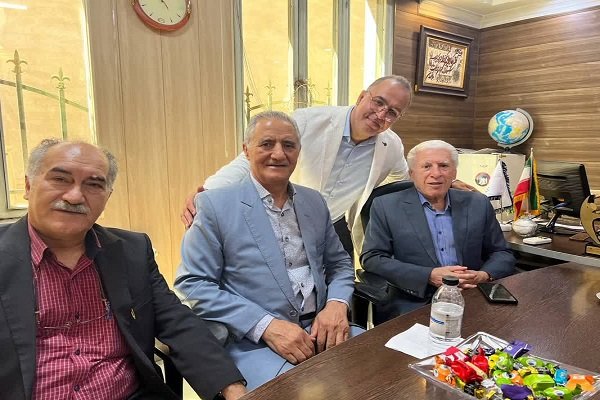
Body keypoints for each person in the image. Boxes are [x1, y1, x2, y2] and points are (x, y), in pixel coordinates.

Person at [0, 139, 247, 400]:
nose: (74, 196)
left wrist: (232, 388)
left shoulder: (132, 251)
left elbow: (178, 323)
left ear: (107, 196)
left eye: (94, 184)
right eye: (60, 179)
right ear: (28, 186)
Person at [174, 111, 362, 390]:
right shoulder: (214, 205)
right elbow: (194, 283)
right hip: (255, 342)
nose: (278, 154)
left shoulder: (314, 201)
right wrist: (266, 326)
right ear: (246, 150)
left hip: (324, 329)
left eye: (289, 145)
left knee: (384, 373)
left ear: (298, 152)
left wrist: (336, 304)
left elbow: (340, 264)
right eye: (266, 144)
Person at [182, 76, 423, 256]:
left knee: (341, 289)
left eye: (392, 112)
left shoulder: (391, 146)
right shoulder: (308, 120)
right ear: (361, 97)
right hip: (284, 219)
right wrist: (209, 191)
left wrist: (440, 184)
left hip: (333, 225)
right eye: (378, 102)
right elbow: (250, 160)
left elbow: (402, 178)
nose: (381, 114)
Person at [360, 140, 515, 323]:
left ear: (454, 173)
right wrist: (429, 275)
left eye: (444, 166)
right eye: (426, 166)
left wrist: (483, 275)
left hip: (471, 296)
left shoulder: (477, 203)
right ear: (412, 173)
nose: (436, 173)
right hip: (414, 301)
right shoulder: (386, 206)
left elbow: (502, 252)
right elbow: (372, 258)